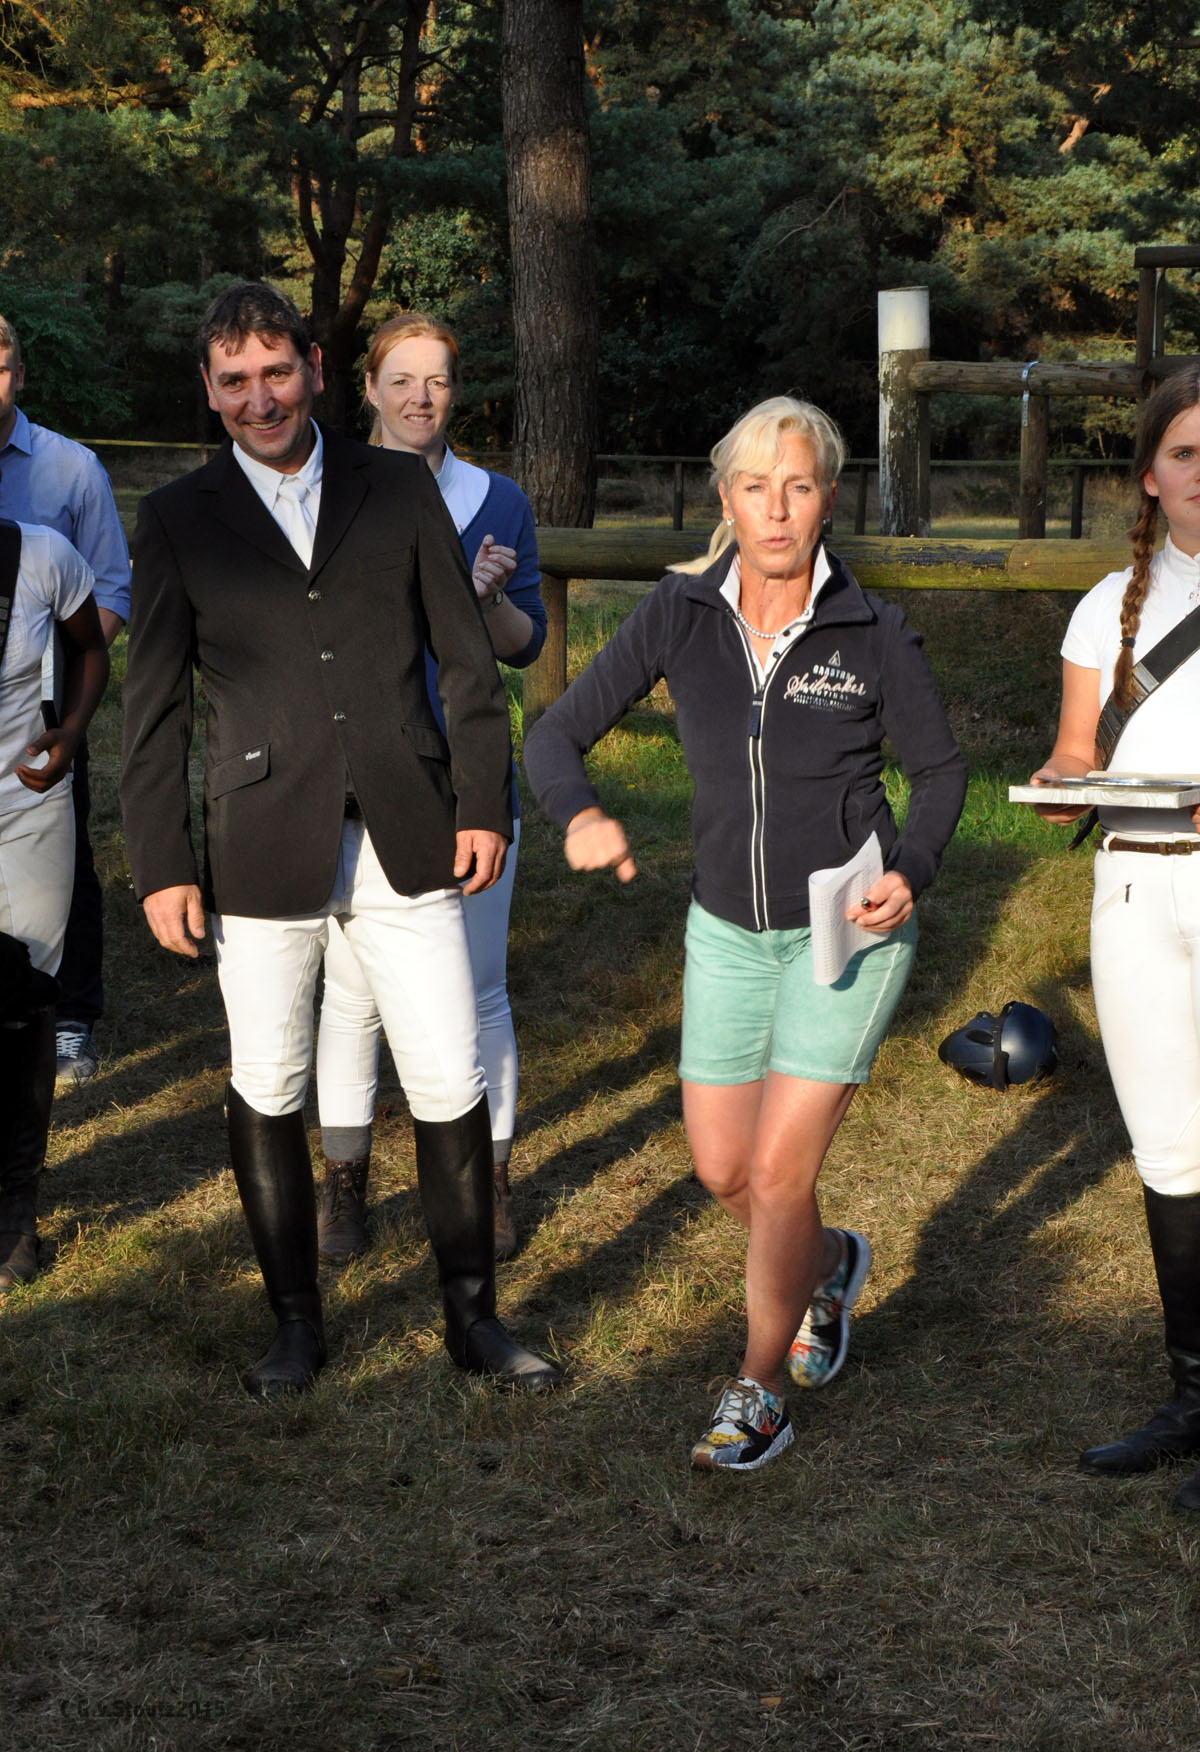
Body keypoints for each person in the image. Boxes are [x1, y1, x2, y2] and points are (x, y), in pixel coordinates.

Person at [119, 281, 559, 1399]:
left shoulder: (397, 487)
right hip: (261, 841)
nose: (260, 398)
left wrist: (480, 802)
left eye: (277, 371)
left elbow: (468, 662)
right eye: (235, 381)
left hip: (410, 829)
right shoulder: (175, 518)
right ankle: (294, 1325)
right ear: (209, 390)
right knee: (269, 1078)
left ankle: (473, 1319)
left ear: (315, 369)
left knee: (449, 1070)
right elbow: (154, 712)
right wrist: (162, 865)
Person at [524, 396, 966, 1471]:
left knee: (775, 1174)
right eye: (756, 487)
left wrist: (907, 870)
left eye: (798, 486)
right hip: (724, 929)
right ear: (725, 497)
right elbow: (555, 735)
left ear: (828, 500)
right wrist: (579, 815)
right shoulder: (679, 613)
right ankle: (833, 1262)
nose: (776, 509)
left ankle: (758, 1387)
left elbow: (942, 772)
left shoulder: (870, 630)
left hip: (844, 933)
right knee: (724, 1169)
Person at [314, 312, 546, 1266]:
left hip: (467, 780)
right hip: (357, 780)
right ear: (368, 388)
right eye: (401, 379)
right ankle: (343, 1184)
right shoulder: (326, 492)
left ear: (457, 392)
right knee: (351, 994)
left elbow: (523, 644)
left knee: (480, 987)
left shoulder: (498, 500)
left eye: (438, 381)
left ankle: (489, 1182)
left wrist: (482, 602)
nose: (420, 397)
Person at [1030, 367, 1200, 1511]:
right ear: (1148, 475)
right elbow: (1076, 750)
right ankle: (1192, 1397)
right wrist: (1057, 784)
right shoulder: (1107, 606)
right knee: (1170, 1148)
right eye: (1185, 453)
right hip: (1133, 889)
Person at [0, 315, 132, 1089]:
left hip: (44, 712)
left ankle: (72, 1015)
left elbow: (109, 588)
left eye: (0, 366)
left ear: (21, 373)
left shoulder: (72, 470)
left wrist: (62, 679)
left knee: (66, 863)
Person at [0, 517, 109, 1290]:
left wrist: (69, 733)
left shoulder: (40, 554)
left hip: (24, 802)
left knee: (22, 994)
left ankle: (14, 1209)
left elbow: (90, 648)